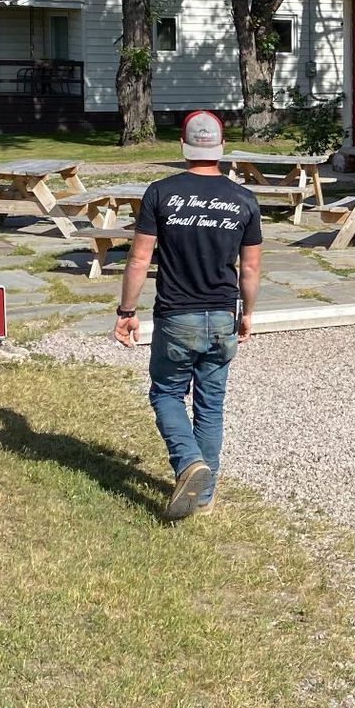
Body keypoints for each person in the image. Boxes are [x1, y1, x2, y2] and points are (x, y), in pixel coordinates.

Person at [114, 109, 263, 522]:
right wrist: (247, 312)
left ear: (183, 147)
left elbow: (139, 258)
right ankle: (204, 496)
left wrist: (127, 310)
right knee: (211, 404)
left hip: (177, 316)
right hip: (221, 315)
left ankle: (187, 464)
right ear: (221, 149)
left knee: (165, 393)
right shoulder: (244, 199)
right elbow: (249, 268)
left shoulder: (160, 193)